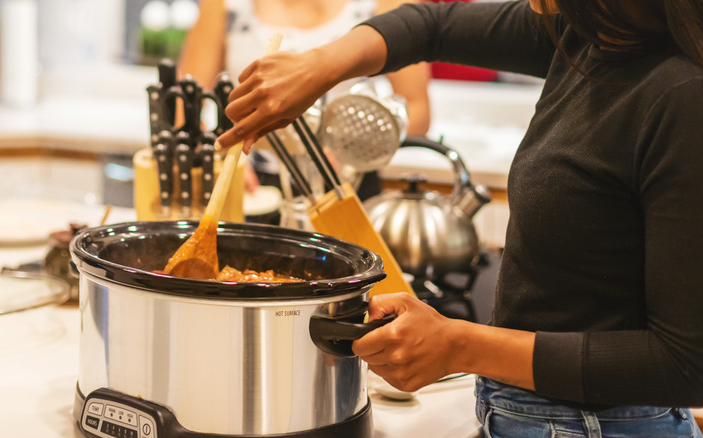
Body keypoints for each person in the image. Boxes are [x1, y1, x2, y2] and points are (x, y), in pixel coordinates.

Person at [216, 0, 703, 436]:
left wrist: (458, 346)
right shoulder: (582, 34)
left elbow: (684, 365)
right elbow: (431, 25)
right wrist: (320, 65)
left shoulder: (681, 95)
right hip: (525, 412)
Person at [176, 0, 431, 200]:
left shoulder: (384, 2)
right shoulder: (224, 4)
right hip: (251, 190)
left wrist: (355, 152)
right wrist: (216, 162)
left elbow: (417, 107)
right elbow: (183, 105)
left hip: (346, 186)